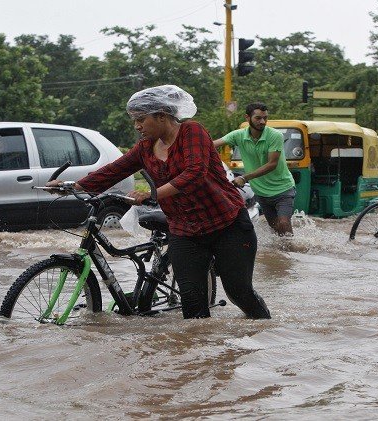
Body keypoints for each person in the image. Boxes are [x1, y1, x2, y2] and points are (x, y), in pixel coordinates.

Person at [46, 85, 270, 319]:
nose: (137, 126)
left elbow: (196, 173)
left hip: (228, 224)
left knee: (239, 292)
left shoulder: (192, 132)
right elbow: (115, 170)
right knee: (192, 304)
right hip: (185, 230)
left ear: (162, 115)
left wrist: (153, 194)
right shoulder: (145, 147)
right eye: (134, 120)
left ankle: (263, 333)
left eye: (141, 119)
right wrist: (74, 185)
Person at [213, 103, 296, 236]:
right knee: (275, 231)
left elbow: (272, 164)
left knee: (284, 224)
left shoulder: (275, 136)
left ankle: (293, 255)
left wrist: (244, 177)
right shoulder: (238, 135)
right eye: (258, 118)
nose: (262, 121)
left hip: (283, 189)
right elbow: (211, 145)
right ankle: (280, 256)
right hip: (261, 192)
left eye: (265, 118)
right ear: (247, 118)